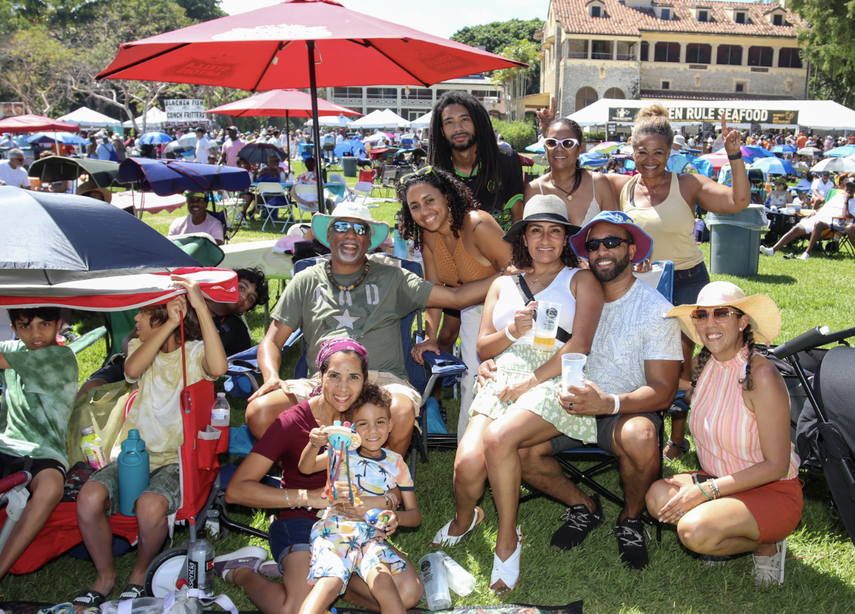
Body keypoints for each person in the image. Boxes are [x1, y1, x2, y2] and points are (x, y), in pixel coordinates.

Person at [481, 211, 681, 570]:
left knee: (640, 436)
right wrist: (492, 362)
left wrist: (607, 404)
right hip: (561, 400)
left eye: (612, 242)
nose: (602, 251)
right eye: (593, 245)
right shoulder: (571, 291)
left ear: (632, 250)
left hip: (622, 409)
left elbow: (664, 392)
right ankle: (583, 505)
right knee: (515, 446)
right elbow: (527, 342)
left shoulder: (657, 312)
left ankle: (630, 519)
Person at [434, 195, 603, 595]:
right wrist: (513, 330)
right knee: (467, 467)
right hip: (503, 372)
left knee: (498, 439)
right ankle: (466, 519)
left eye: (555, 231)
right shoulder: (501, 284)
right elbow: (483, 348)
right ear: (523, 238)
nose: (545, 239)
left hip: (555, 374)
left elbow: (580, 344)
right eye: (536, 230)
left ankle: (508, 539)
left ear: (565, 238)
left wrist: (531, 381)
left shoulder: (581, 280)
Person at [244, 201, 506, 456]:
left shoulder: (393, 278)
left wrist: (509, 271)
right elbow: (272, 340)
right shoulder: (306, 281)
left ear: (369, 240)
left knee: (401, 411)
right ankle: (309, 473)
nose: (350, 235)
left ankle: (382, 479)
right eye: (341, 227)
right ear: (328, 235)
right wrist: (271, 377)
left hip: (382, 381)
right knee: (260, 411)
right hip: (322, 383)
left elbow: (456, 298)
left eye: (360, 229)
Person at [222, 340, 423, 614]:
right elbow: (236, 490)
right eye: (334, 376)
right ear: (320, 377)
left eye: (353, 377)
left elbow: (389, 474)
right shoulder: (292, 422)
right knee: (296, 609)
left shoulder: (366, 420)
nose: (343, 387)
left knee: (408, 592)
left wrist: (384, 502)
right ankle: (242, 573)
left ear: (365, 380)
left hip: (355, 526)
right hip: (303, 520)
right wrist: (309, 497)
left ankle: (330, 581)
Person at [604, 104, 750, 462]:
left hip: (686, 281)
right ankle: (645, 423)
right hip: (643, 284)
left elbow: (738, 200)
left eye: (658, 152)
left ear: (670, 152)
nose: (649, 159)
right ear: (631, 151)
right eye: (642, 151)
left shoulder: (687, 184)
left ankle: (680, 435)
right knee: (646, 357)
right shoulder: (621, 186)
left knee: (681, 361)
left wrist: (734, 155)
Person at [73, 276, 227, 608]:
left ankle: (139, 572)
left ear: (159, 315)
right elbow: (130, 370)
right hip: (134, 453)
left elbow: (218, 367)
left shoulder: (195, 353)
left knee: (150, 506)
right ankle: (105, 575)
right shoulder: (139, 350)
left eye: (142, 312)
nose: (135, 319)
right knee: (88, 498)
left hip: (175, 459)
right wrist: (169, 323)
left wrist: (199, 306)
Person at [647, 282, 802, 586]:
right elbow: (675, 387)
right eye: (702, 315)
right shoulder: (704, 364)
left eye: (721, 313)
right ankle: (722, 523)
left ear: (742, 322)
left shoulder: (761, 375)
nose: (710, 323)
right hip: (721, 479)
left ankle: (767, 546)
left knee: (693, 531)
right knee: (656, 497)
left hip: (772, 489)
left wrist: (707, 490)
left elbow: (777, 466)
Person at [398, 167, 512, 436]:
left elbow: (516, 269)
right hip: (473, 312)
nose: (424, 211)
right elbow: (434, 291)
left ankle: (506, 441)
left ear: (447, 196)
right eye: (415, 206)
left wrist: (462, 296)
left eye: (429, 200)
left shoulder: (477, 223)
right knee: (472, 380)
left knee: (502, 378)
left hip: (509, 308)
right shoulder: (428, 235)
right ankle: (468, 449)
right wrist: (430, 337)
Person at [298, 383, 421, 614]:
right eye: (363, 424)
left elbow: (414, 515)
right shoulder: (341, 453)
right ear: (351, 428)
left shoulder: (396, 463)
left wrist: (395, 518)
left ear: (390, 425)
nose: (373, 430)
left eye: (380, 422)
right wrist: (313, 445)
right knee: (329, 584)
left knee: (384, 584)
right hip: (336, 532)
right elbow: (306, 468)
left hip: (371, 538)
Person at [0, 307, 78, 581]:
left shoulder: (62, 357)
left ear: (58, 325)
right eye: (25, 326)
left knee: (50, 488)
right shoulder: (11, 350)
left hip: (46, 451)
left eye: (44, 324)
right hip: (5, 446)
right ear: (13, 328)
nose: (35, 334)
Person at [428, 91, 524, 230]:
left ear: (477, 122)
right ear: (442, 131)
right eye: (449, 122)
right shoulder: (436, 174)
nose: (458, 128)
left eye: (465, 119)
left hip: (504, 242)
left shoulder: (506, 160)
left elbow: (517, 218)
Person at [524, 118, 617, 228]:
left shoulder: (598, 183)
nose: (559, 148)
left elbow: (615, 230)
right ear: (545, 148)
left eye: (568, 143)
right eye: (552, 142)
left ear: (579, 150)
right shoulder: (533, 190)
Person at [760, 178, 855, 259]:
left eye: (852, 186)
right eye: (848, 186)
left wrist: (846, 201)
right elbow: (825, 207)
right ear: (845, 187)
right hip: (822, 217)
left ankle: (807, 253)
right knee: (797, 228)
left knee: (818, 223)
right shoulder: (837, 197)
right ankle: (772, 250)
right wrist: (814, 212)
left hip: (836, 223)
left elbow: (846, 216)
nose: (850, 188)